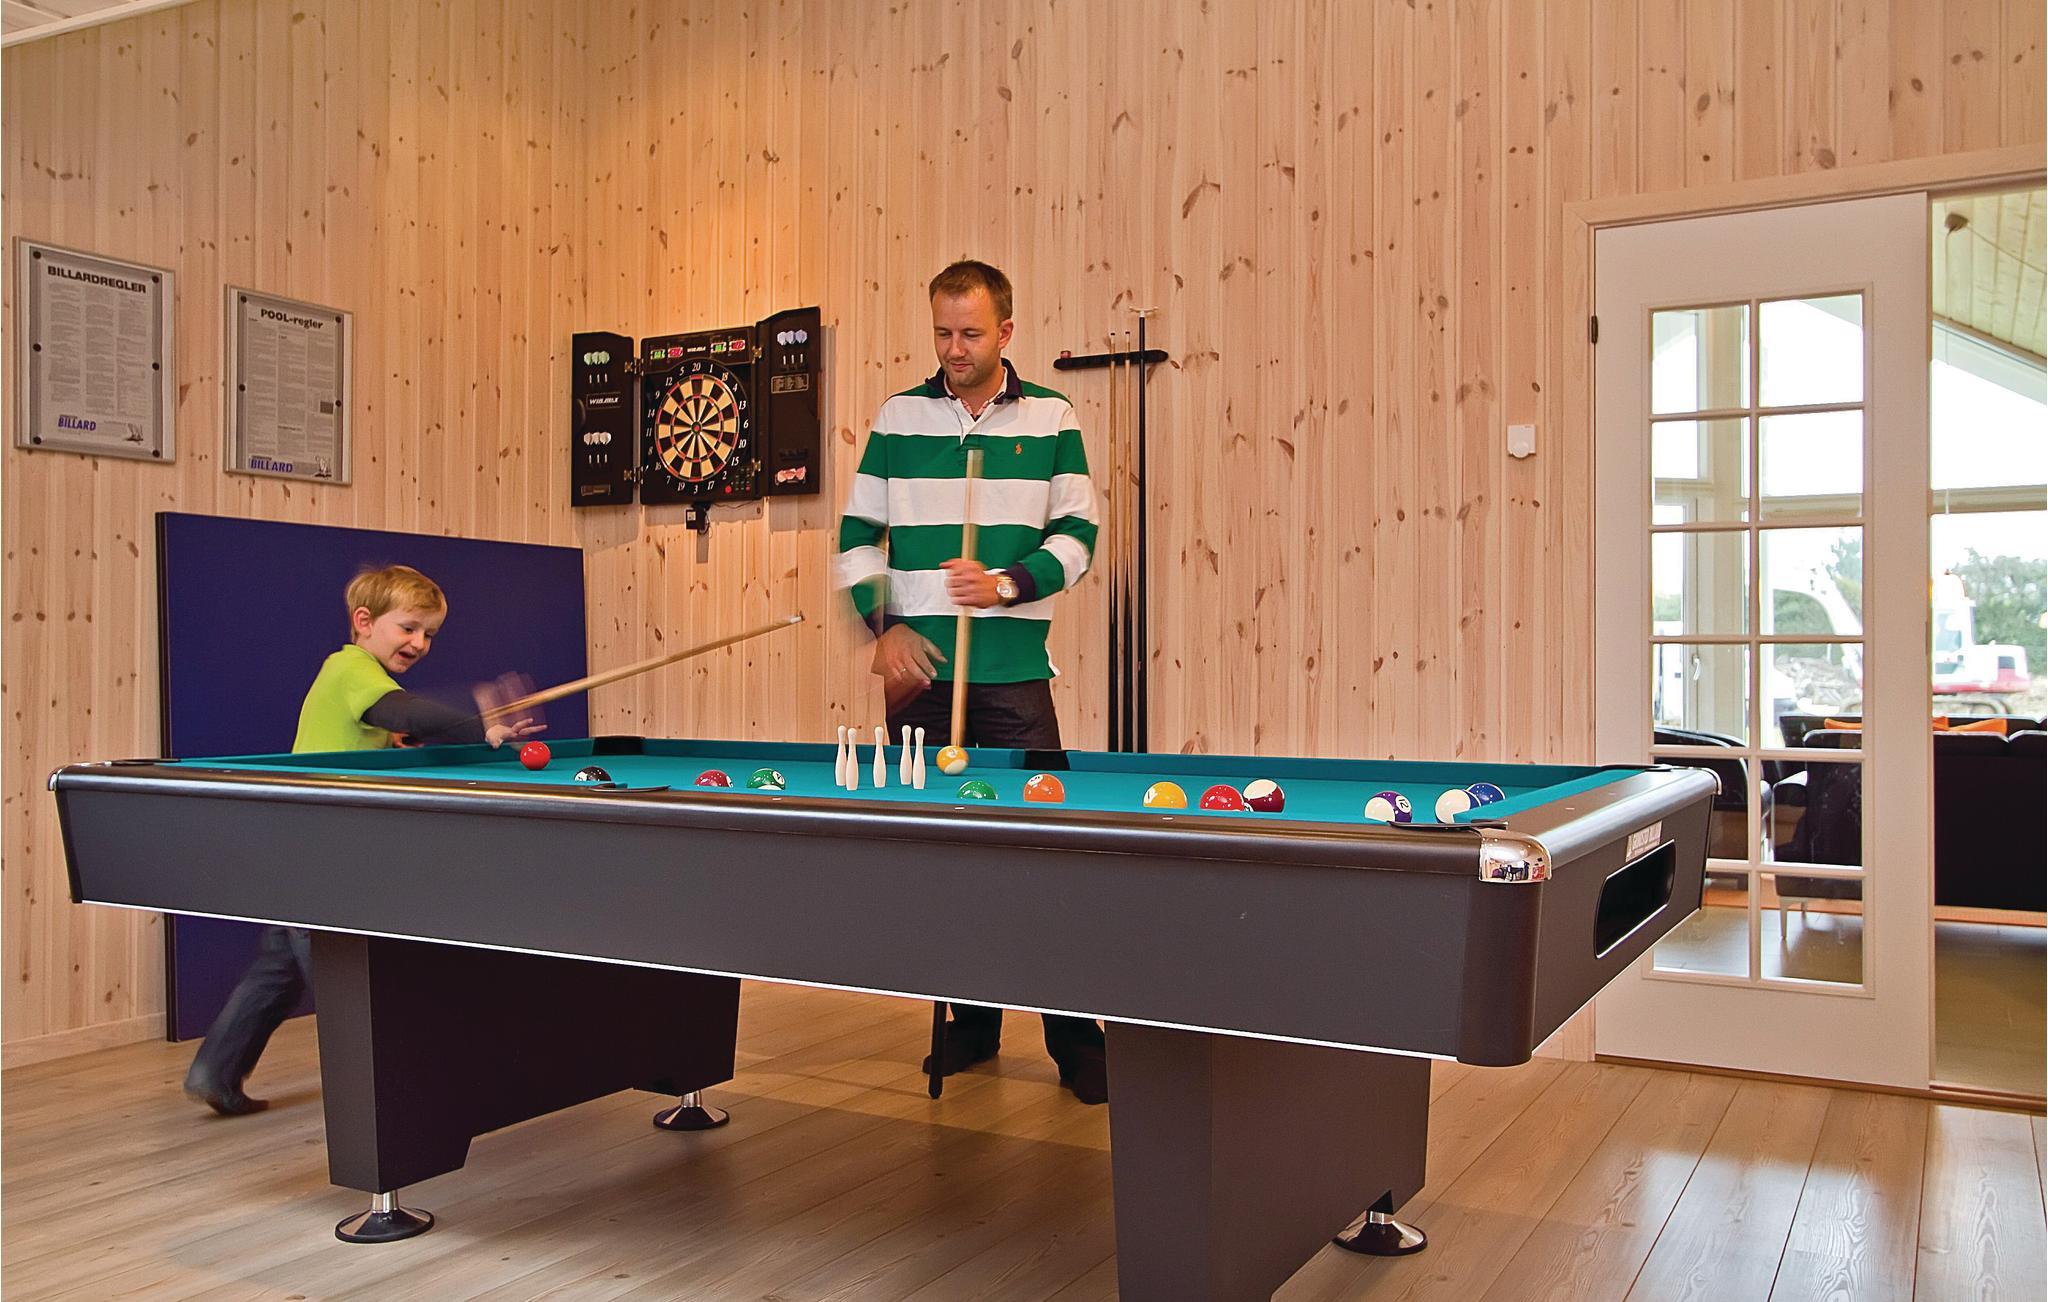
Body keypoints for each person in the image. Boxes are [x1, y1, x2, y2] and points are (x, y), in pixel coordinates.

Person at [834, 260, 1108, 1105]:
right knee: (946, 864)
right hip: (920, 676)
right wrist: (885, 627)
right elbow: (856, 538)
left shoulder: (1051, 417)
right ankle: (973, 1024)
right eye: (943, 333)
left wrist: (1005, 584)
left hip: (1013, 673)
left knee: (1046, 858)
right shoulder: (899, 417)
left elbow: (1078, 535)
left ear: (1006, 332)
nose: (955, 349)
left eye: (972, 334)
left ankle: (1075, 1039)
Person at [182, 565, 540, 1115]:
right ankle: (382, 1100)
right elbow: (402, 710)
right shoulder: (350, 668)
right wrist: (481, 727)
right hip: (318, 846)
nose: (419, 643)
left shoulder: (364, 684)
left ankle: (215, 1072)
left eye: (430, 634)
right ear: (365, 622)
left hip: (301, 840)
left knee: (279, 966)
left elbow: (393, 727)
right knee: (342, 973)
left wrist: (427, 737)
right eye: (409, 628)